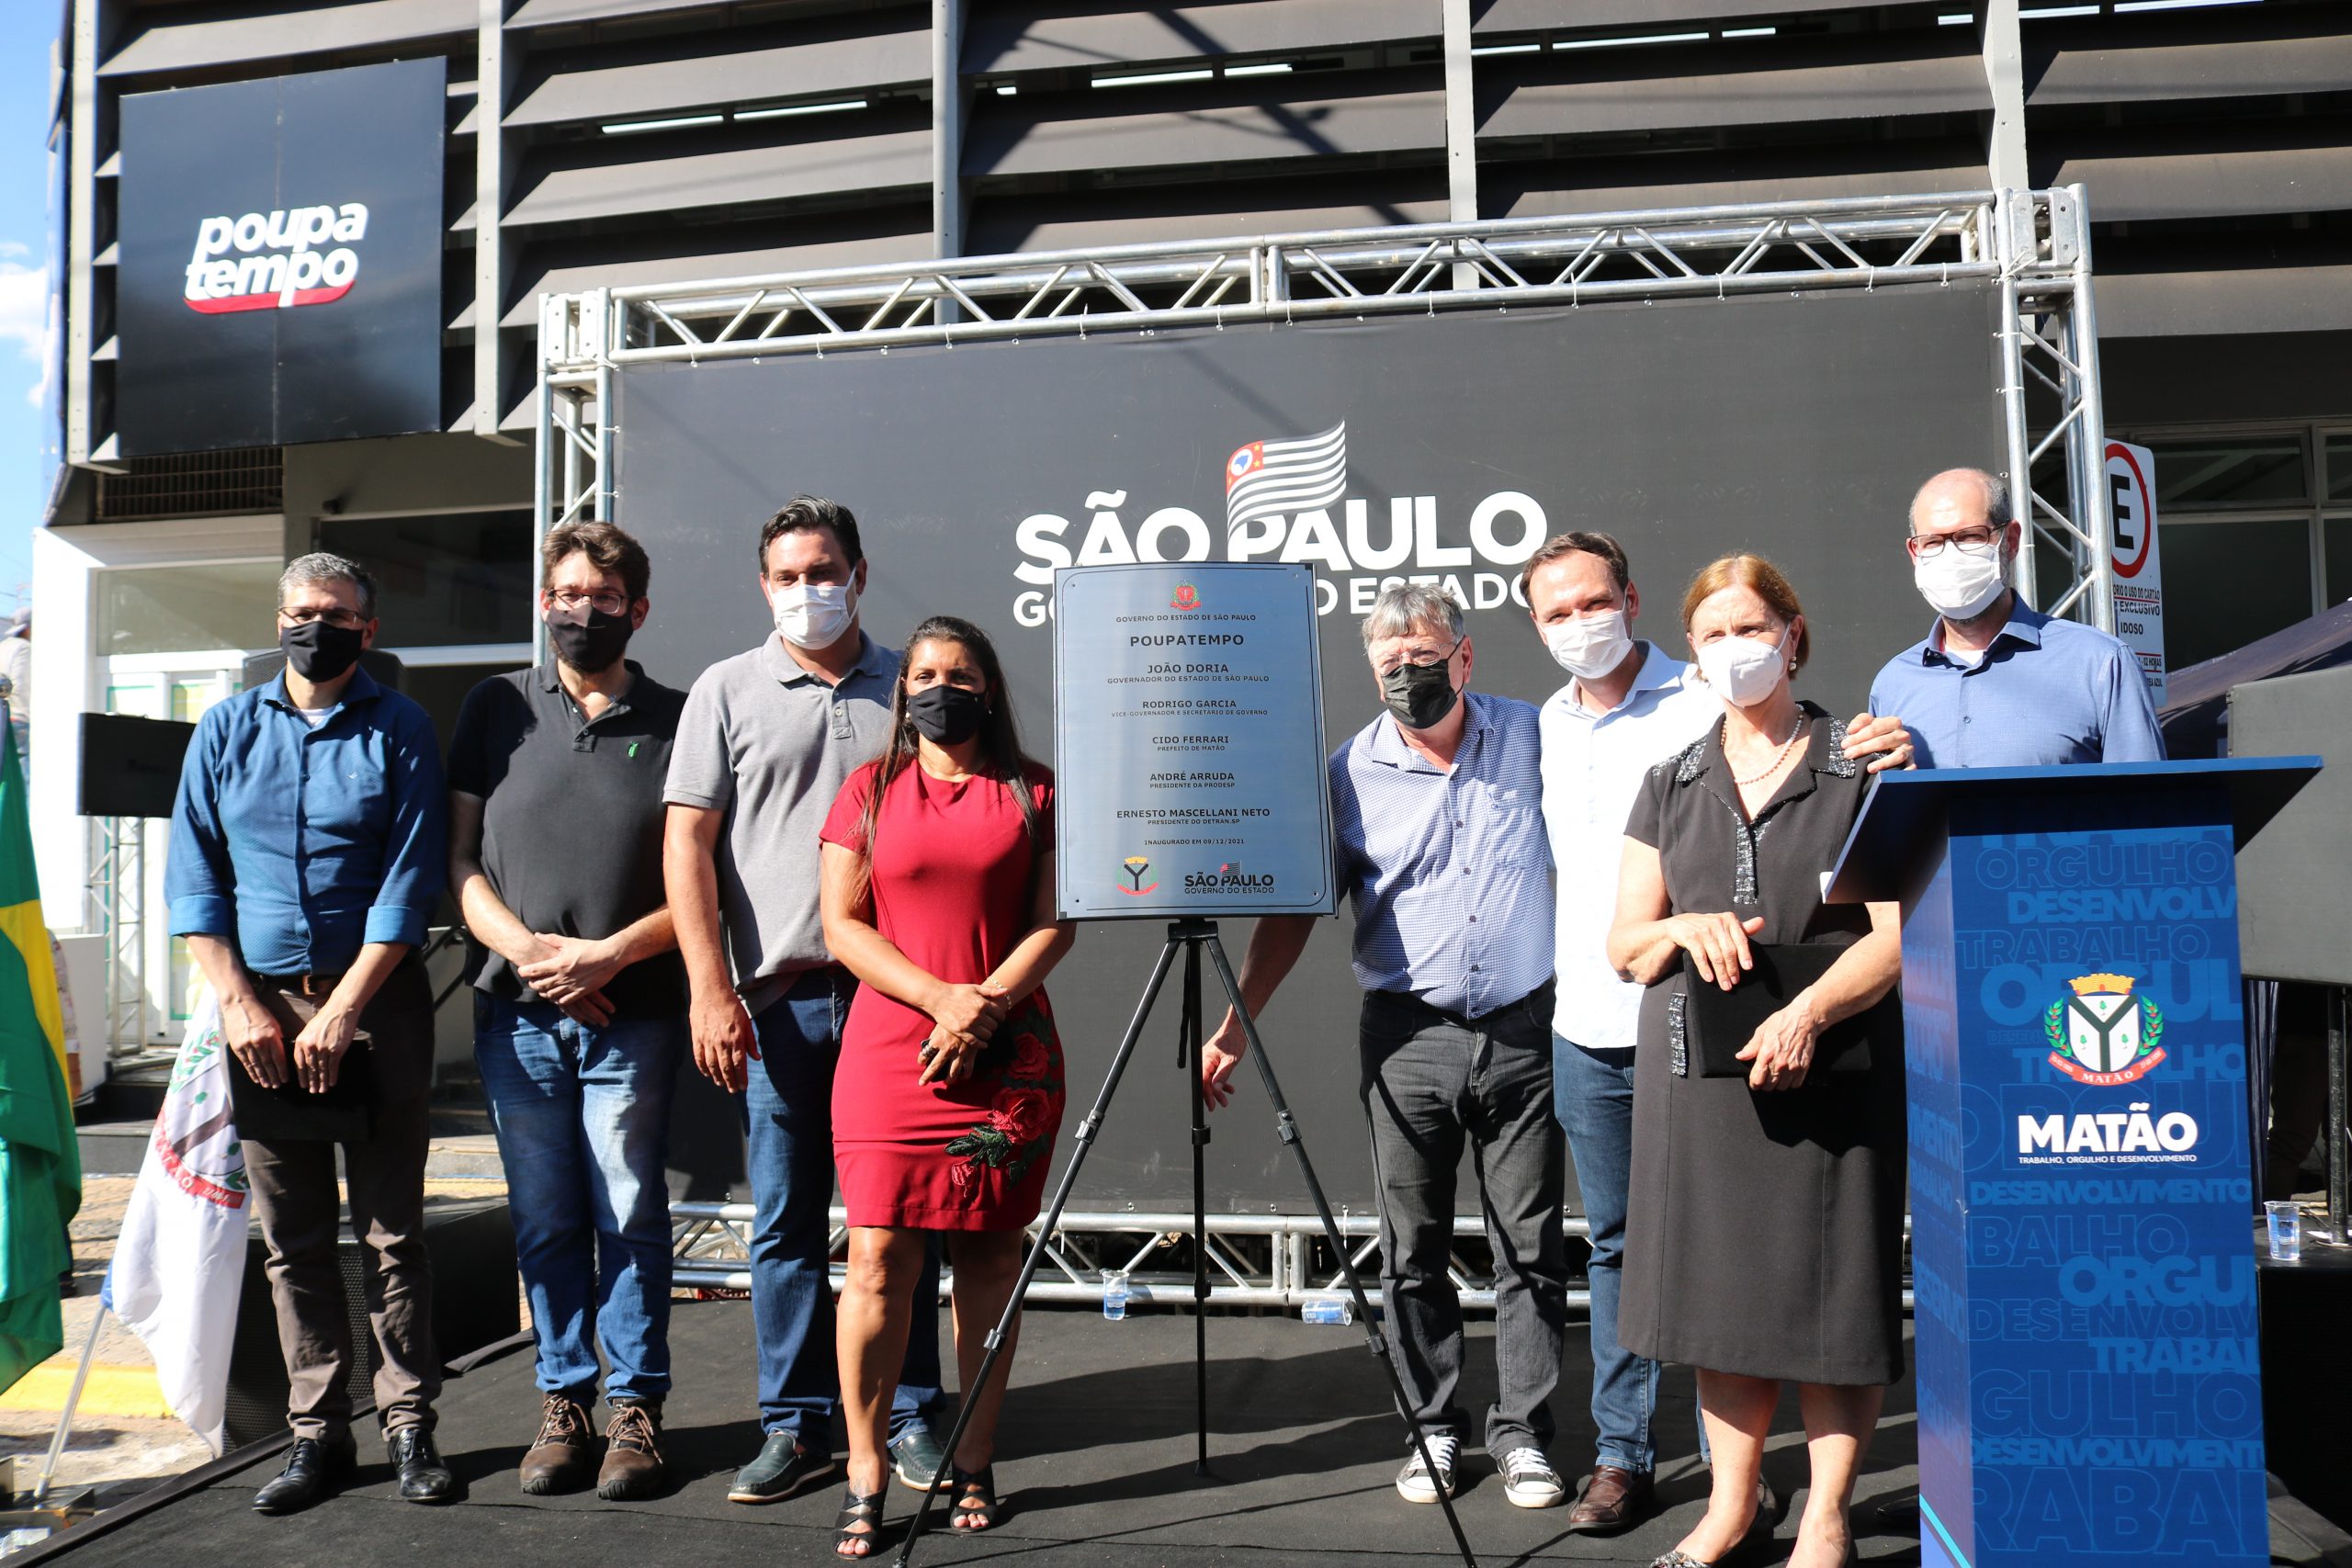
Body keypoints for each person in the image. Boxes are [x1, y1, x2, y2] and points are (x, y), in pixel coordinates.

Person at [1523, 534, 1912, 1533]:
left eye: (1752, 628)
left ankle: (1824, 1519)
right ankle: (1729, 1510)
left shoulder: (1861, 762)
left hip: (1834, 1065)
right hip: (1698, 1079)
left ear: (1793, 637)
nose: (1736, 647)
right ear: (1690, 651)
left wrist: (1809, 1011)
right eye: (1714, 634)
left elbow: (1898, 939)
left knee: (1838, 1306)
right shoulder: (1670, 778)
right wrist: (1678, 926)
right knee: (1718, 1305)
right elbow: (1624, 942)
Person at [1201, 581, 1570, 1513]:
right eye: (1389, 668)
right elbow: (1295, 912)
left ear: (1466, 656)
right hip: (1408, 1035)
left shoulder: (1537, 736)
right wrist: (1236, 1024)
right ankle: (1432, 1427)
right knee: (1412, 1247)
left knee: (1529, 1245)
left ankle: (1524, 1433)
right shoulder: (1344, 775)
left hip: (1527, 1029)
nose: (1410, 678)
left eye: (1425, 660)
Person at [662, 496, 949, 1504]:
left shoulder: (912, 689)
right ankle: (794, 1424)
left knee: (902, 1218)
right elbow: (687, 845)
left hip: (896, 1003)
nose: (806, 590)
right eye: (786, 575)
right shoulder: (727, 689)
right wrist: (709, 986)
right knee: (784, 1223)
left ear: (859, 574)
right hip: (778, 1000)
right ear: (762, 584)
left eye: (822, 571)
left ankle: (914, 1412)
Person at [164, 552, 452, 1514]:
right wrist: (240, 1001)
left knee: (391, 1234)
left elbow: (410, 884)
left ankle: (409, 1424)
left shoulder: (402, 727)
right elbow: (194, 880)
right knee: (291, 1239)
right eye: (297, 612)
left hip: (377, 1009)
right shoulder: (224, 728)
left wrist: (343, 1009)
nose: (310, 627)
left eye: (331, 614)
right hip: (257, 1016)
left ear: (366, 630)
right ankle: (316, 1435)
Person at [818, 615, 1073, 1557]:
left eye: (957, 674)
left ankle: (974, 1457)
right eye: (922, 673)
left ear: (989, 688)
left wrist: (985, 1008)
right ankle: (865, 1467)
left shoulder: (1037, 789)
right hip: (891, 1051)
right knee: (878, 1259)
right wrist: (939, 1000)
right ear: (901, 690)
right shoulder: (867, 789)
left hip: (1009, 1056)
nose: (937, 687)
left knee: (990, 1264)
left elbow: (1055, 925)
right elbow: (841, 925)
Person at [447, 522, 686, 1500]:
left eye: (599, 594)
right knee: (545, 1217)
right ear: (542, 601)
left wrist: (606, 956)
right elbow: (456, 862)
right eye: (563, 593)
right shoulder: (494, 706)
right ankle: (564, 1399)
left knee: (628, 1206)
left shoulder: (678, 717)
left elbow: (703, 881)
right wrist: (535, 958)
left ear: (637, 606)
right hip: (516, 1014)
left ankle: (635, 1409)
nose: (578, 610)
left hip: (633, 1012)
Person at [1870, 468, 2164, 767]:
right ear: (1914, 552)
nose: (1951, 554)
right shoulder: (1893, 684)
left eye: (1970, 536)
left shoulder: (2099, 664)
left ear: (2010, 540)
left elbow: (2145, 803)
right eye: (1932, 542)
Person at [1, 609, 28, 764]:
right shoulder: (24, 648)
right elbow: (20, 683)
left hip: (3, 715)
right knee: (22, 766)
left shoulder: (3, 646)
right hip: (18, 717)